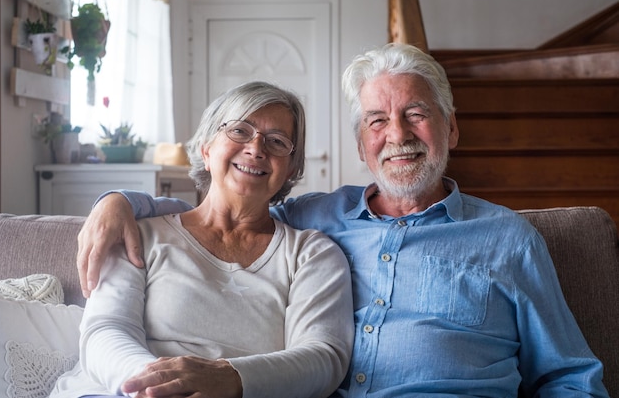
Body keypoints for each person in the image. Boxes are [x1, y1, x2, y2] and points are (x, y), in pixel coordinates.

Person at [77, 43, 609, 397]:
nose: (397, 134)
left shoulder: (507, 240)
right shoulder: (313, 219)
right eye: (378, 120)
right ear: (362, 143)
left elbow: (569, 375)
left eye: (416, 114)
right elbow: (224, 215)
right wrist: (120, 202)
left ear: (451, 129)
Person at [50, 81, 354, 398]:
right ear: (206, 149)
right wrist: (157, 388)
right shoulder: (138, 232)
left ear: (291, 168)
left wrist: (232, 378)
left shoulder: (312, 255)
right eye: (239, 131)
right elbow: (105, 331)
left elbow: (323, 357)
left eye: (277, 142)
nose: (256, 149)